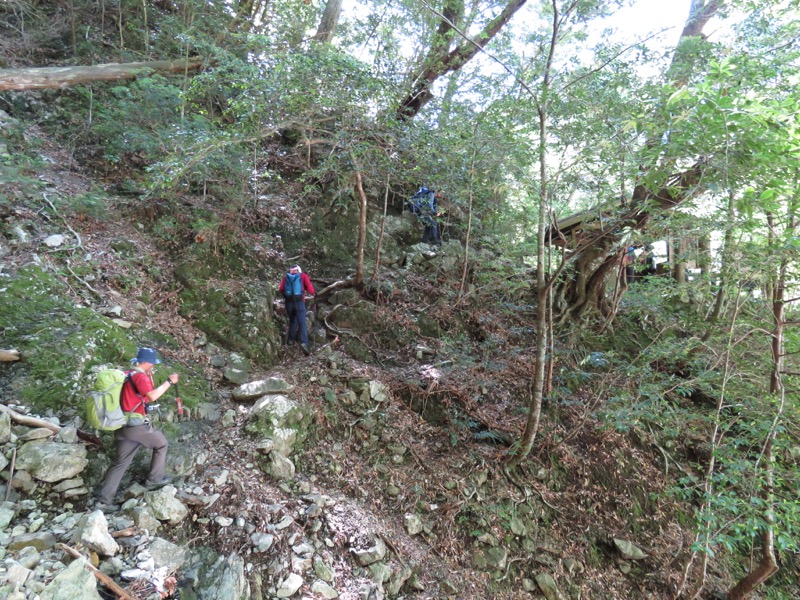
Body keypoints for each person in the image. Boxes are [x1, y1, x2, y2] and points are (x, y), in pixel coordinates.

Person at [94, 347, 178, 511]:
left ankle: (102, 502)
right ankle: (155, 479)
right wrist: (169, 382)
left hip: (122, 424)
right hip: (136, 425)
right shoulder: (140, 377)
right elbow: (152, 396)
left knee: (120, 463)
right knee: (161, 444)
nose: (153, 366)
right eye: (152, 363)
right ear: (146, 362)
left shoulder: (127, 374)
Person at [279, 264, 315, 356]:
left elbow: (281, 289)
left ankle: (290, 340)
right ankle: (304, 343)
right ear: (299, 270)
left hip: (289, 303)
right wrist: (314, 293)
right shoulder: (303, 276)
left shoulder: (286, 277)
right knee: (302, 322)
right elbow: (310, 288)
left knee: (292, 321)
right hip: (299, 302)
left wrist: (287, 296)